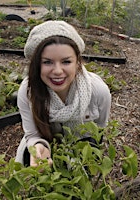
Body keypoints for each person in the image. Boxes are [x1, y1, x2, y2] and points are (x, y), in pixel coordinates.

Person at [15, 20, 112, 167]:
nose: (58, 71)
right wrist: (38, 147)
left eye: (66, 62)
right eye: (47, 62)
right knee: (30, 161)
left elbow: (99, 130)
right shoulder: (28, 91)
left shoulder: (98, 91)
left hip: (80, 147)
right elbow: (32, 134)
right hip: (47, 141)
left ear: (78, 63)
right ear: (36, 65)